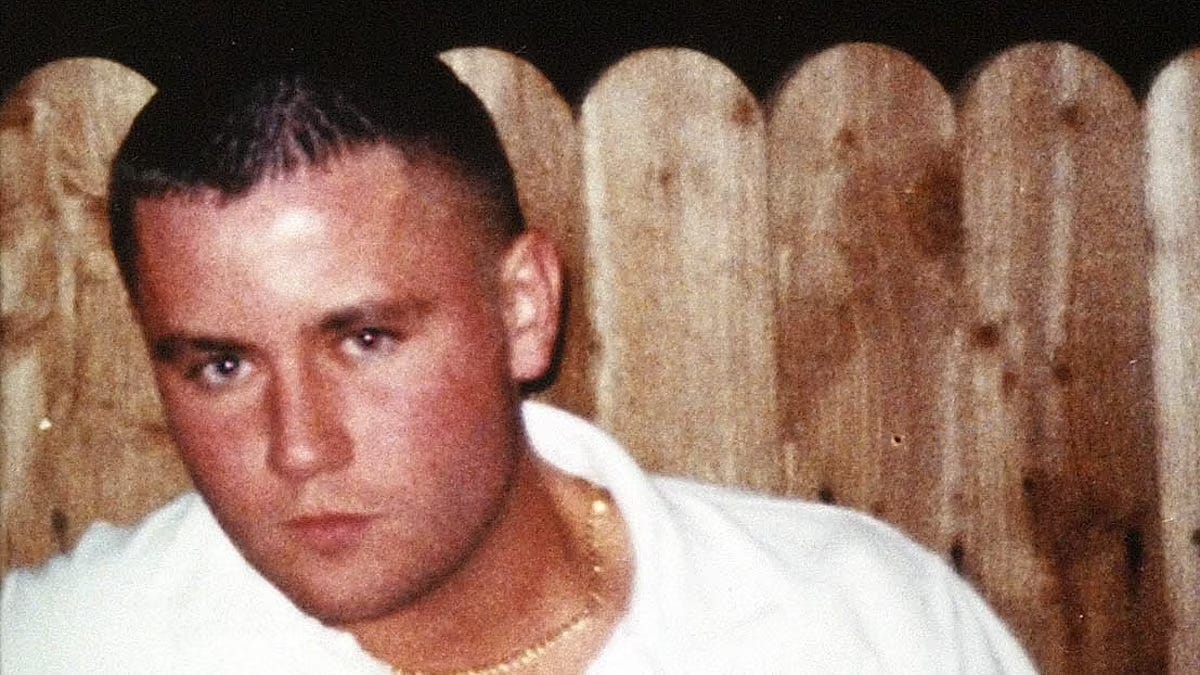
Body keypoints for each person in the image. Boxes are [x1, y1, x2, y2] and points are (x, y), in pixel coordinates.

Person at [0, 53, 1037, 674]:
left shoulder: (854, 622)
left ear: (524, 308)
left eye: (365, 340)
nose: (300, 448)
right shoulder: (81, 644)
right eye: (222, 366)